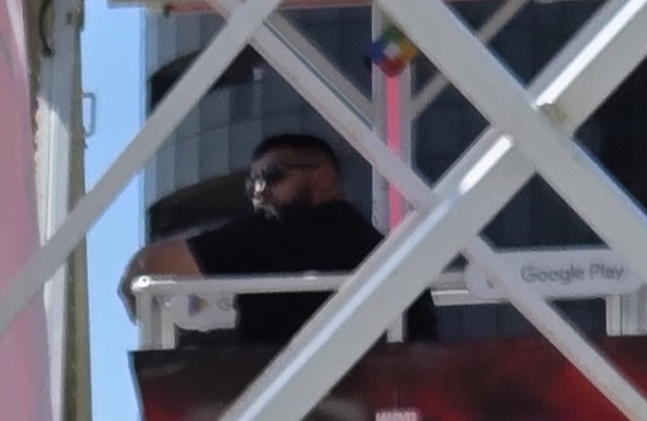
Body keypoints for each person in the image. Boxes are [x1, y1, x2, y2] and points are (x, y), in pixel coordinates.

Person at [123, 132, 438, 348]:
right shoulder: (375, 245)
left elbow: (151, 264)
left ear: (323, 176)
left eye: (273, 175)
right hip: (386, 411)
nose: (259, 191)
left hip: (286, 418)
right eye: (252, 184)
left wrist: (134, 292)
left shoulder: (274, 231)